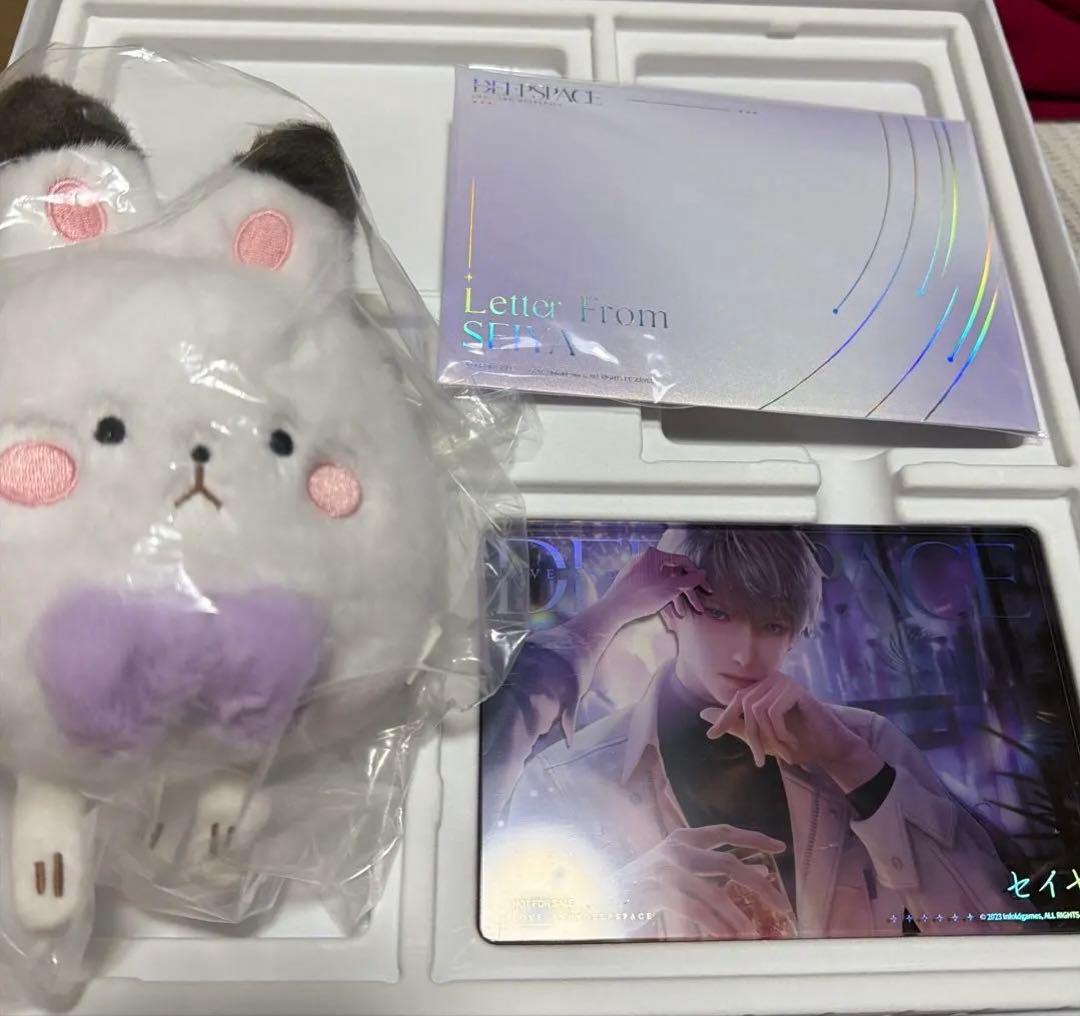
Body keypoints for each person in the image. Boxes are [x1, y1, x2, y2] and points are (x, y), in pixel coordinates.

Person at [482, 527, 1022, 939]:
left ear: (795, 632)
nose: (745, 653)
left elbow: (996, 931)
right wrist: (620, 896)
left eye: (772, 625)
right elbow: (512, 950)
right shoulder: (567, 774)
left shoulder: (866, 742)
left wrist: (852, 765)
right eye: (719, 614)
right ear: (671, 612)